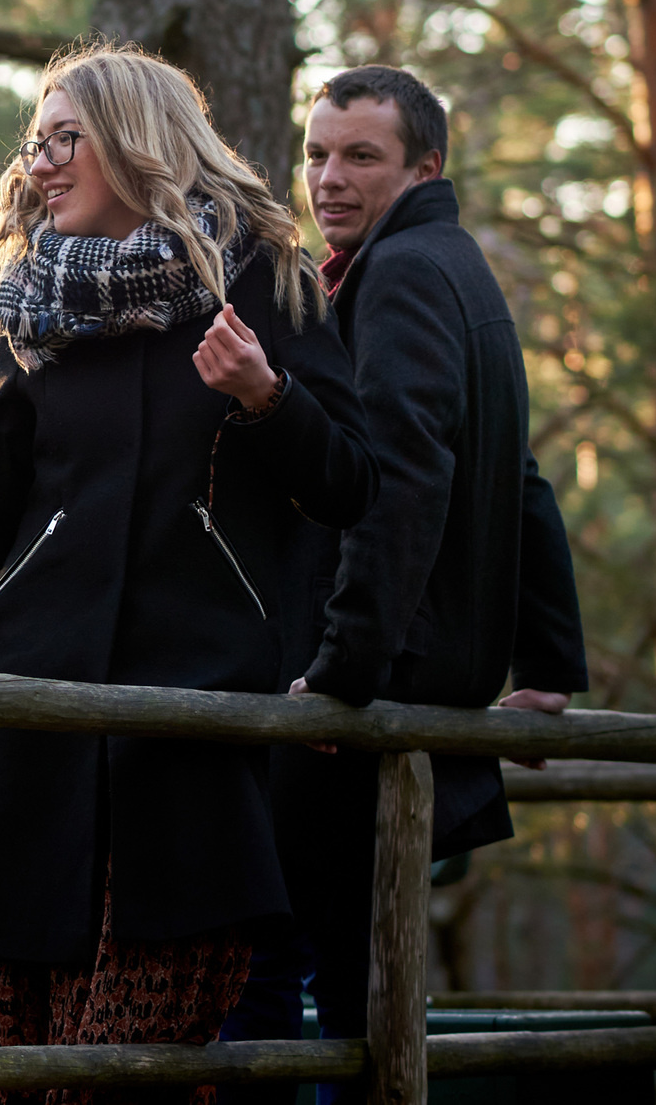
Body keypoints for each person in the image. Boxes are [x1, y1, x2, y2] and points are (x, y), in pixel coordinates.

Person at [0, 45, 377, 1105]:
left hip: (186, 719)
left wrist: (268, 395)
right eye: (35, 140)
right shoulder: (31, 301)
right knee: (4, 1072)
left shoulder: (259, 274)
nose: (38, 162)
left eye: (63, 136)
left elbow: (351, 482)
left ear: (136, 137)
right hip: (34, 719)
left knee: (124, 1072)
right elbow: (5, 530)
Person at [222, 66, 589, 1094]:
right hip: (405, 672)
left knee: (288, 971)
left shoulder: (403, 274)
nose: (328, 178)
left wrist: (344, 669)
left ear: (424, 164)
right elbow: (517, 478)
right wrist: (549, 660)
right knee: (346, 978)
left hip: (373, 683)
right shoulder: (449, 263)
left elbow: (404, 475)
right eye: (316, 153)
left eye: (360, 156)